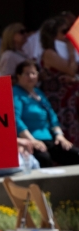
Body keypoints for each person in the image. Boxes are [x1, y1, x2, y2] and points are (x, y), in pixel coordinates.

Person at [14, 60, 79, 167]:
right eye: (27, 73)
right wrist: (32, 141)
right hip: (29, 141)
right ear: (19, 76)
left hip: (50, 139)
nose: (31, 76)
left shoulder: (38, 92)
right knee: (45, 159)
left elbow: (52, 116)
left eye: (33, 73)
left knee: (76, 154)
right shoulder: (15, 93)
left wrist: (59, 135)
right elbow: (16, 120)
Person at [39, 16, 79, 145]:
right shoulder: (49, 52)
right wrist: (72, 52)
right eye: (64, 31)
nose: (68, 34)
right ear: (52, 34)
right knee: (61, 130)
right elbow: (70, 70)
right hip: (57, 100)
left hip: (70, 99)